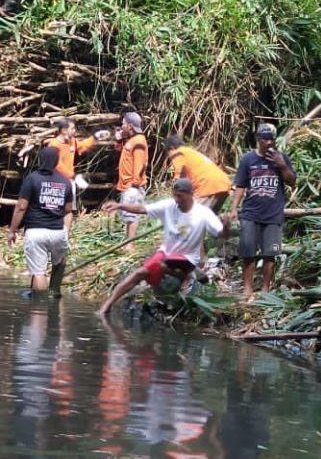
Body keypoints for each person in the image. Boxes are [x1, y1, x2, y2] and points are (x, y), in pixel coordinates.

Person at [97, 178, 224, 315]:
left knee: (161, 265)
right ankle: (107, 305)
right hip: (166, 253)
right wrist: (119, 206)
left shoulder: (203, 213)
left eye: (179, 196)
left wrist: (227, 226)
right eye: (174, 195)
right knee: (140, 272)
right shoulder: (169, 205)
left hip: (187, 258)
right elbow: (142, 209)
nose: (176, 199)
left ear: (189, 195)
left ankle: (188, 274)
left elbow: (222, 233)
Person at [225, 123, 296, 298]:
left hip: (273, 213)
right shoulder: (248, 159)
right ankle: (247, 289)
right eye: (265, 139)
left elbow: (292, 181)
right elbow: (240, 185)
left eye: (272, 139)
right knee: (248, 251)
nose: (269, 143)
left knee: (270, 254)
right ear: (258, 140)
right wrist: (234, 208)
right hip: (250, 212)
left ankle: (265, 289)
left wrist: (282, 165)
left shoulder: (282, 158)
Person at [8, 147, 74, 294]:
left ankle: (40, 308)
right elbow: (68, 211)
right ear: (57, 161)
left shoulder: (32, 179)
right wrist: (65, 233)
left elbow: (21, 207)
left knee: (38, 272)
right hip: (58, 231)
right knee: (60, 262)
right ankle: (54, 294)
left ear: (40, 160)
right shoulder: (65, 182)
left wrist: (12, 230)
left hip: (36, 232)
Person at [44, 117, 107, 229]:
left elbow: (82, 146)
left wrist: (95, 137)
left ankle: (65, 235)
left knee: (68, 209)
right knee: (55, 209)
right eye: (72, 128)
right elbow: (57, 164)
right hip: (56, 181)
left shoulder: (72, 141)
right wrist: (73, 176)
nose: (75, 131)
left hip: (69, 181)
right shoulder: (54, 145)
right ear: (63, 130)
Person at [164, 135, 231, 212]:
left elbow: (178, 179)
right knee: (209, 219)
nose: (169, 157)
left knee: (193, 216)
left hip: (208, 186)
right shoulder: (191, 153)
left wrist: (175, 197)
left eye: (167, 153)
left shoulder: (178, 153)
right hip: (223, 184)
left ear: (172, 148)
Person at [114, 112, 148, 250]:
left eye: (123, 124)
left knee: (132, 214)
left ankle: (130, 244)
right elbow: (119, 150)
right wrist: (118, 139)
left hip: (133, 185)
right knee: (128, 215)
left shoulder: (139, 141)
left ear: (129, 126)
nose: (121, 127)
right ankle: (127, 241)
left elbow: (140, 164)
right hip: (127, 185)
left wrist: (135, 183)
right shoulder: (131, 140)